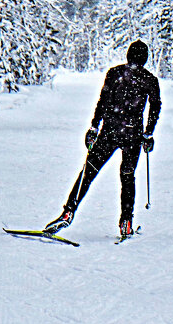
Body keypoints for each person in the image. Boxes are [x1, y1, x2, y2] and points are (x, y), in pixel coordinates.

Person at [44, 40, 161, 238]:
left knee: (87, 173)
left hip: (109, 132)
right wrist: (148, 133)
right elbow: (155, 108)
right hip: (132, 135)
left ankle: (68, 212)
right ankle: (126, 222)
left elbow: (103, 100)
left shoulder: (114, 73)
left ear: (128, 55)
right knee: (127, 176)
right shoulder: (149, 79)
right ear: (145, 58)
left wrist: (94, 127)